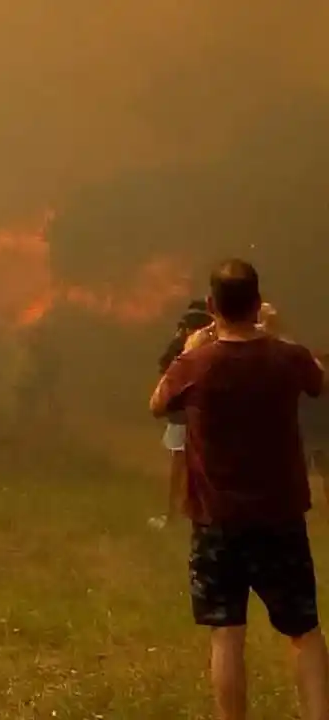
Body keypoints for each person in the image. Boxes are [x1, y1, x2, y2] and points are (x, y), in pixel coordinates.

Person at [150, 259, 329, 720]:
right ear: (256, 303)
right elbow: (319, 380)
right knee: (304, 632)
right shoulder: (284, 356)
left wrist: (188, 348)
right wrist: (281, 329)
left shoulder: (196, 364)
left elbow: (158, 404)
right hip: (280, 516)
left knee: (227, 634)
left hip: (216, 520)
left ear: (212, 306)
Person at [153, 300, 214, 527]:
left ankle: (175, 515)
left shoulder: (189, 347)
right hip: (192, 415)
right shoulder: (209, 346)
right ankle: (177, 515)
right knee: (190, 467)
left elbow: (165, 372)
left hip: (187, 415)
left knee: (182, 467)